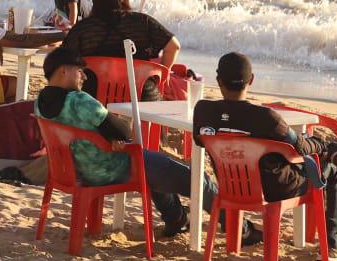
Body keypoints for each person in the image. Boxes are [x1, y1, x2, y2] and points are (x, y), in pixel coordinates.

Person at [193, 53, 337, 260]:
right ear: (251, 80)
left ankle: (334, 150)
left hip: (230, 186)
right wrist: (321, 144)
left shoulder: (203, 111)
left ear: (218, 81)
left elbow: (200, 140)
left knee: (308, 157)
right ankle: (333, 246)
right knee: (331, 169)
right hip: (277, 188)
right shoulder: (266, 117)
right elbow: (300, 147)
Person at [39, 46, 221, 239]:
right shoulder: (79, 101)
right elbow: (123, 130)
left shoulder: (41, 102)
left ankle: (176, 216)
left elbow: (91, 130)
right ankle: (239, 227)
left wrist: (106, 134)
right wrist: (112, 135)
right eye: (80, 71)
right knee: (197, 179)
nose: (84, 77)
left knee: (158, 165)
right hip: (115, 167)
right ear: (63, 71)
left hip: (78, 170)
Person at [63, 0, 179, 99]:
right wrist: (163, 74)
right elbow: (173, 46)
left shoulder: (83, 28)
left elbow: (64, 61)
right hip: (141, 95)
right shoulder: (143, 22)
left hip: (94, 98)